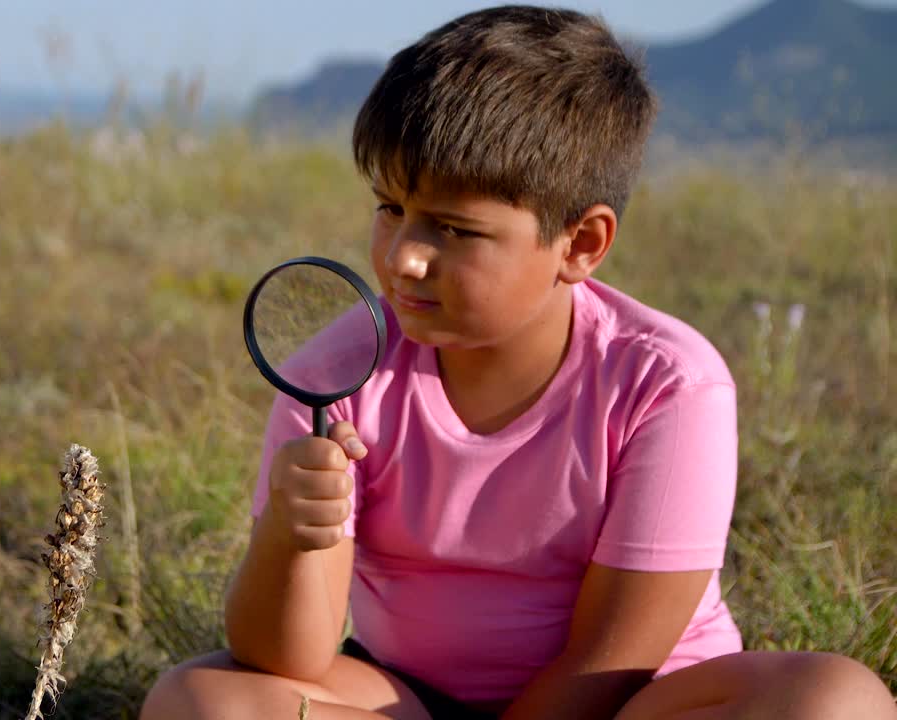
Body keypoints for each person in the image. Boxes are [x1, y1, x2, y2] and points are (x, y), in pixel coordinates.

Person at [140, 6, 897, 719]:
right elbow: (288, 658)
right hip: (407, 698)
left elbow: (618, 659)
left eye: (454, 230)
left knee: (839, 701)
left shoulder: (667, 386)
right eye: (390, 208)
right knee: (193, 702)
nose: (404, 256)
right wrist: (288, 535)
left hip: (624, 703)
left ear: (582, 245)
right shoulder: (336, 377)